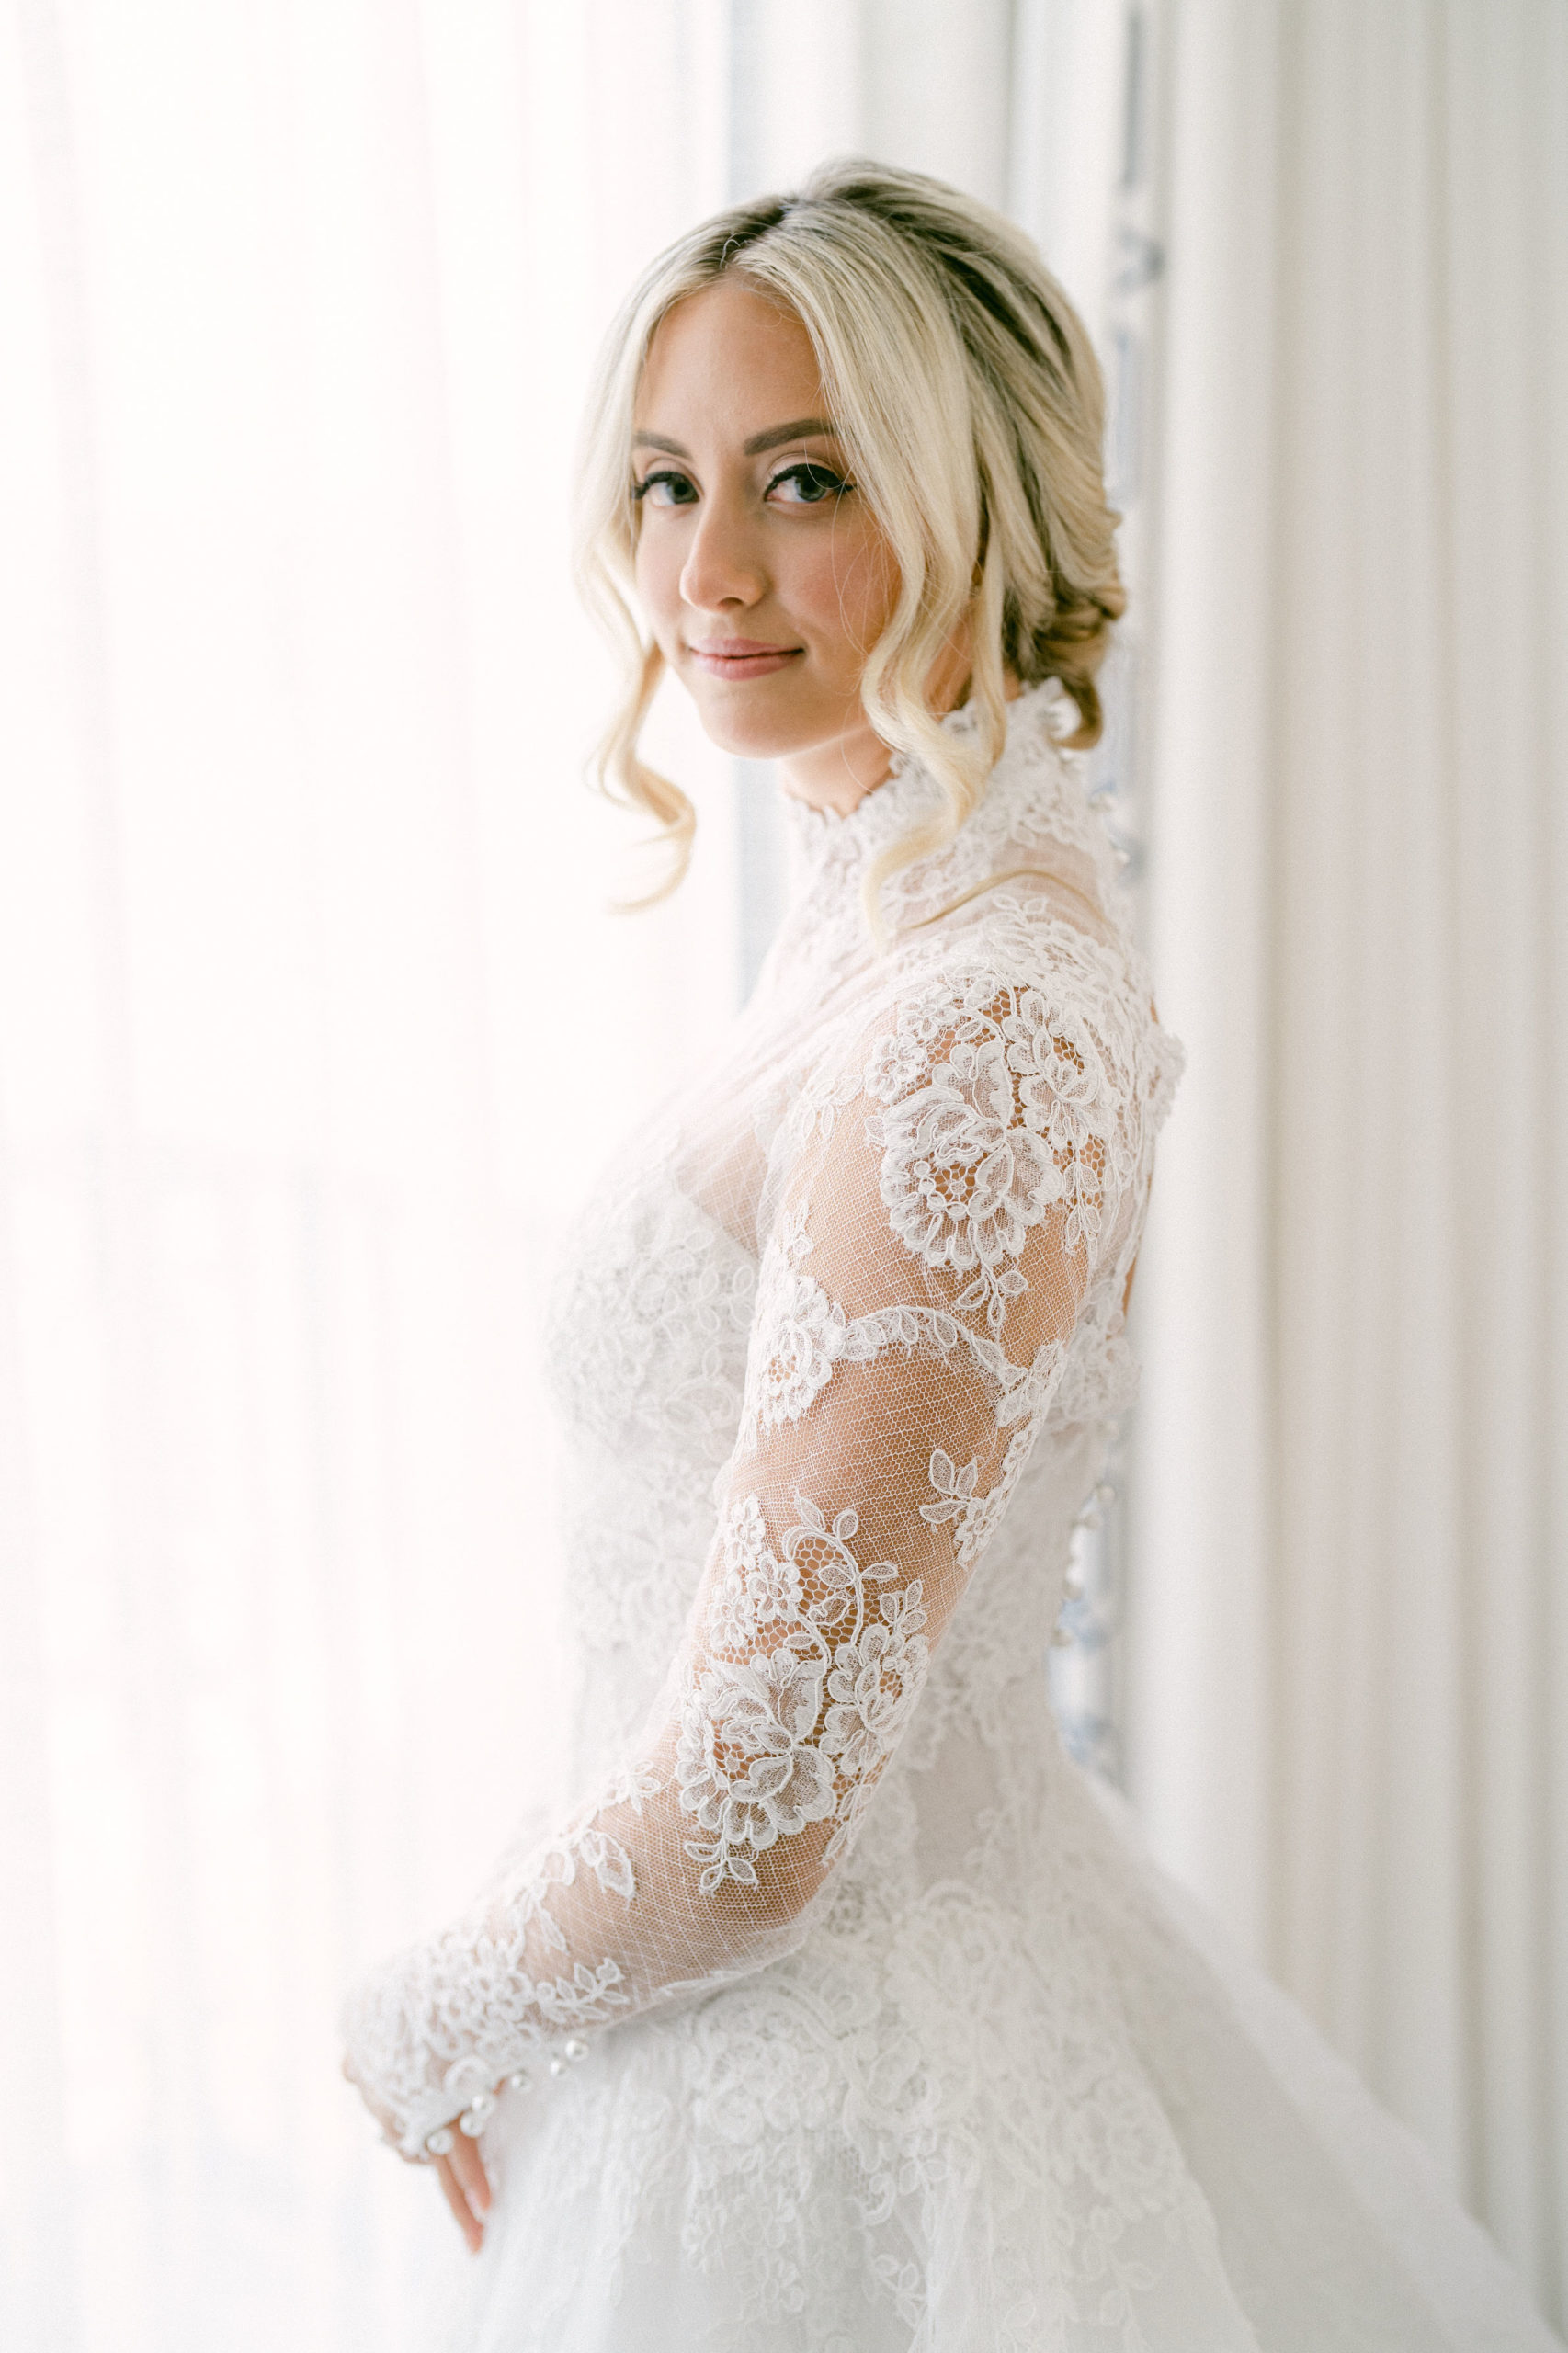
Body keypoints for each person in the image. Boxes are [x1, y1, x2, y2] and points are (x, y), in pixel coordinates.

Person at [342, 161, 1560, 2351]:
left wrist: (418, 2004)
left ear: (971, 494)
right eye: (662, 479)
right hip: (709, 2058)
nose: (704, 570)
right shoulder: (872, 914)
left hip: (832, 2135)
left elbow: (756, 1812)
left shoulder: (974, 1019)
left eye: (799, 479)